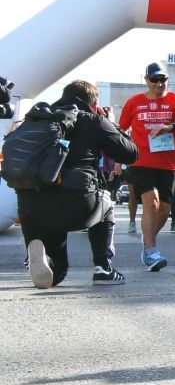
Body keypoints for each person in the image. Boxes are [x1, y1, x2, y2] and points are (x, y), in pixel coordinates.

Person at [16, 80, 138, 288]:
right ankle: (103, 268)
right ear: (93, 102)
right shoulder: (94, 121)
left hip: (32, 208)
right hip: (77, 203)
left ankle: (37, 252)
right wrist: (109, 122)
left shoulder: (35, 119)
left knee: (59, 273)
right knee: (106, 202)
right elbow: (131, 154)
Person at [115, 62, 175, 271]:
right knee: (150, 202)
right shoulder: (134, 102)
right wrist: (117, 160)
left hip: (169, 163)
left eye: (163, 79)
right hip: (141, 161)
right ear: (146, 80)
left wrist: (171, 127)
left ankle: (148, 240)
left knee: (164, 209)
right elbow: (120, 131)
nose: (159, 83)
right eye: (155, 79)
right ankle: (151, 250)